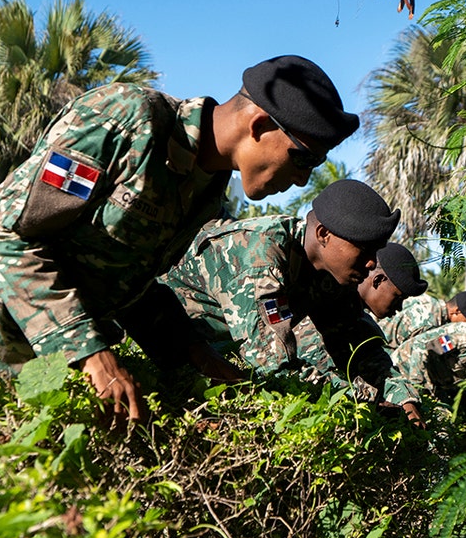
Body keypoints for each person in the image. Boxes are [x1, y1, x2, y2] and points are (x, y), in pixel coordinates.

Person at [0, 55, 360, 421]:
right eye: (303, 158)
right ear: (260, 126)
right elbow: (4, 233)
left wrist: (196, 355)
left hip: (48, 367)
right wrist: (90, 353)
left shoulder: (205, 190)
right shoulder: (129, 120)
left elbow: (131, 288)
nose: (303, 180)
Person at [160, 180, 424, 422]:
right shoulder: (261, 255)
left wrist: (403, 398)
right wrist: (362, 402)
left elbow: (361, 345)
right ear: (323, 234)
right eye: (364, 250)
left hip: (213, 355)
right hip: (163, 346)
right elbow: (275, 368)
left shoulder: (332, 273)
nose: (371, 263)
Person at [290, 242, 427, 397]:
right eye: (398, 298)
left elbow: (375, 362)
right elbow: (316, 367)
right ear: (378, 281)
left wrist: (405, 399)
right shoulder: (325, 295)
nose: (399, 308)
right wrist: (366, 398)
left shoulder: (356, 314)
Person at [381, 291, 466, 401]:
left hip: (420, 371)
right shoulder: (426, 317)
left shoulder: (445, 323)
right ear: (456, 311)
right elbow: (415, 348)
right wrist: (417, 391)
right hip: (388, 356)